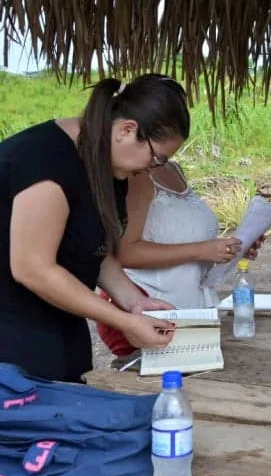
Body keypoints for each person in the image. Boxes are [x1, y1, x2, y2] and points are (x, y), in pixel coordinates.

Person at [0, 74, 191, 382]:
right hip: (12, 327)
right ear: (127, 130)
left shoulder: (108, 165)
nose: (151, 169)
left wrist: (134, 302)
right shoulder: (46, 161)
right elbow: (32, 268)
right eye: (157, 158)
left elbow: (93, 250)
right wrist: (124, 322)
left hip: (61, 314)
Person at [94, 160, 265, 357]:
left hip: (190, 312)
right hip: (150, 313)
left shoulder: (172, 168)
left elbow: (185, 242)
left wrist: (231, 249)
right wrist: (201, 251)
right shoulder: (134, 175)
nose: (157, 160)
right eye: (158, 154)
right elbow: (125, 253)